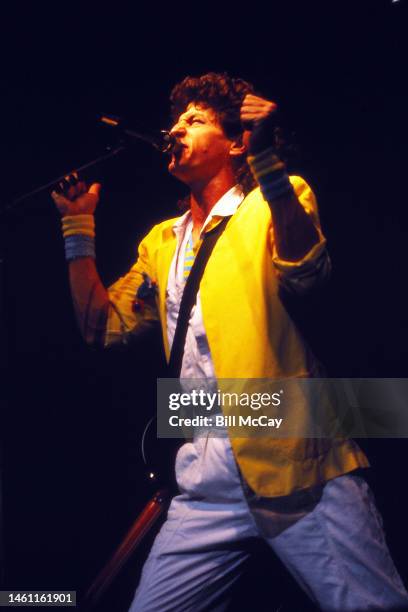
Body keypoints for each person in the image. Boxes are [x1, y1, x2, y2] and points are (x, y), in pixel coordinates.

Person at [52, 73, 408, 611]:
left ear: (237, 141)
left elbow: (309, 274)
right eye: (175, 121)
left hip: (296, 470)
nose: (176, 128)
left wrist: (269, 163)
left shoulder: (274, 200)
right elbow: (100, 328)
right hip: (202, 483)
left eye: (194, 120)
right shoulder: (162, 241)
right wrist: (78, 228)